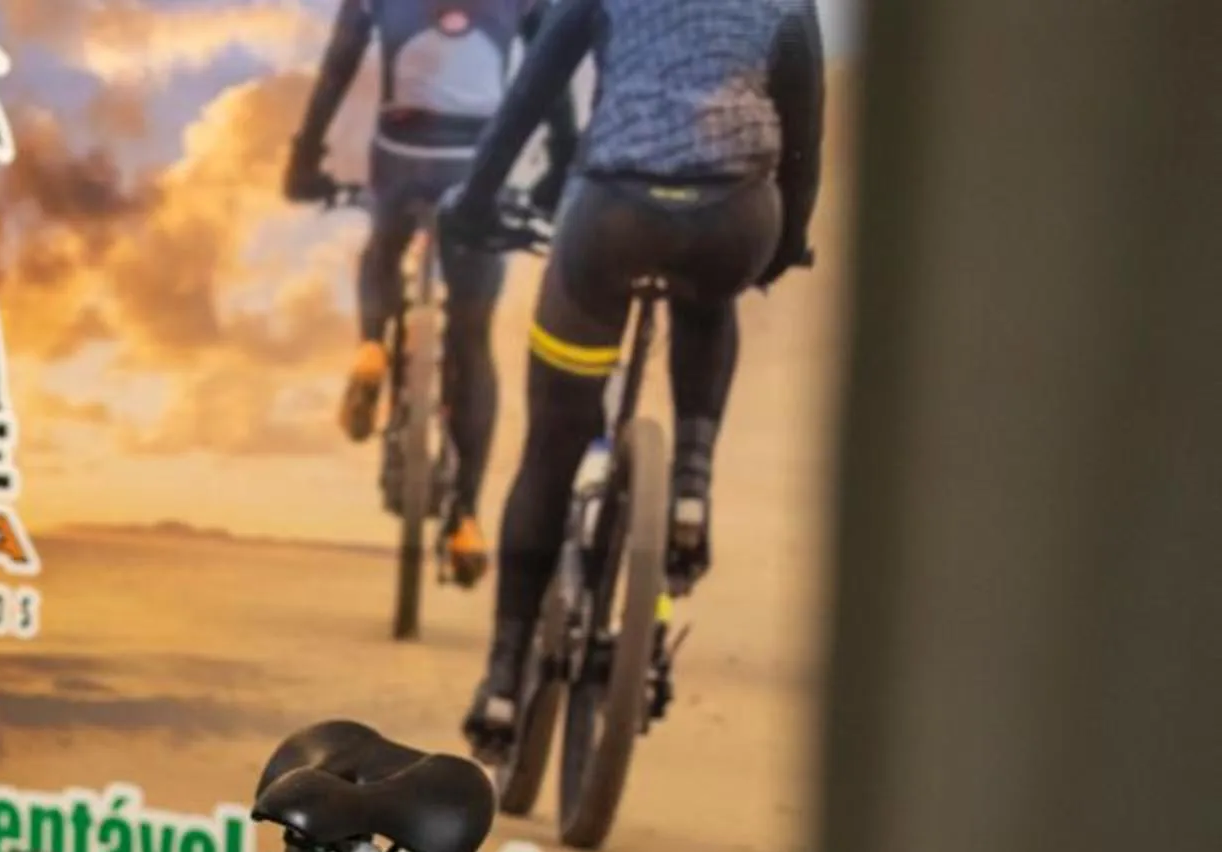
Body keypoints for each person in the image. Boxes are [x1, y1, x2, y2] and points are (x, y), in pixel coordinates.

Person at [443, 0, 825, 753]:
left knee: (552, 444)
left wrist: (474, 201)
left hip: (611, 218)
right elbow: (804, 136)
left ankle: (501, 679)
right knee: (711, 298)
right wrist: (788, 242)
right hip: (734, 220)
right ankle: (688, 483)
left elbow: (530, 94)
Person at [288, 0, 569, 586]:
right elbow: (552, 65)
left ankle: (370, 345)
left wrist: (304, 159)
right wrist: (558, 164)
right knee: (472, 340)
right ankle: (465, 515)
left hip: (401, 158)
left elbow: (337, 68)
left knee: (383, 248)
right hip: (479, 163)